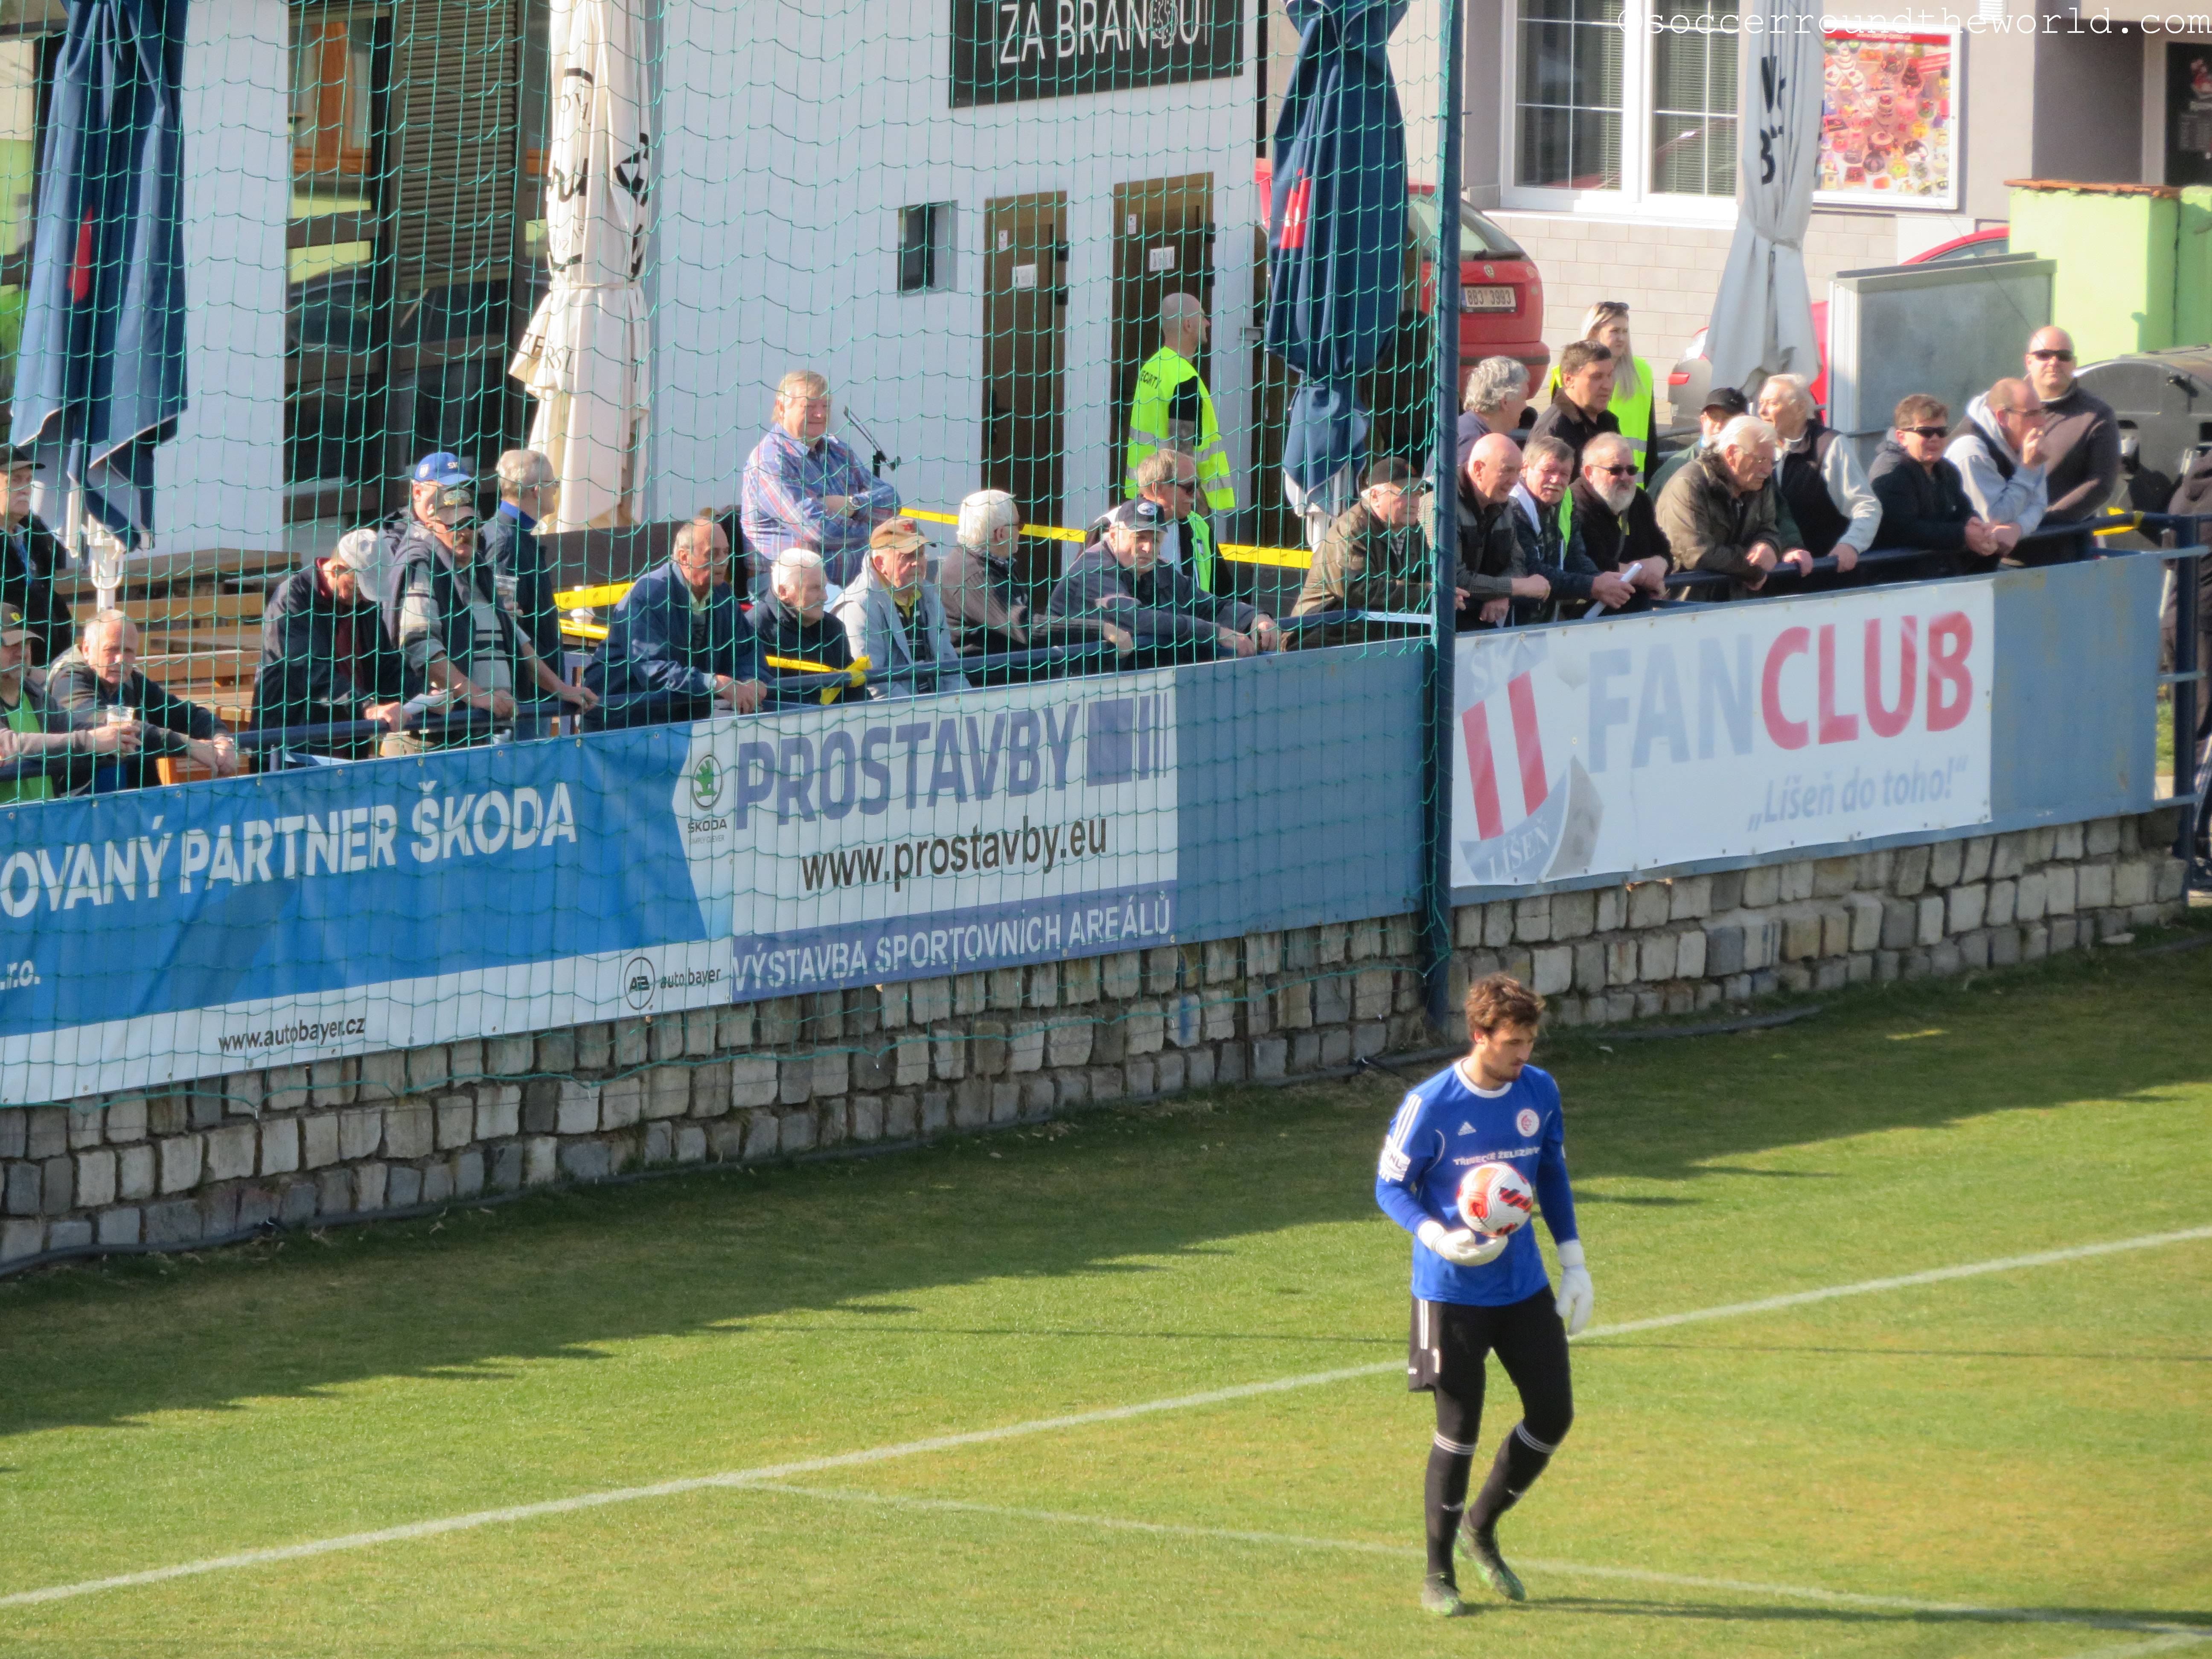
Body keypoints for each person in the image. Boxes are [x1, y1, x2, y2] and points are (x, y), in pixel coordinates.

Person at [1374, 972, 1592, 1617]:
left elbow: (1550, 1170)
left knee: (1553, 1414)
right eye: (1512, 1042)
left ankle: (1482, 1527)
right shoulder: (1430, 1104)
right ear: (1479, 1035)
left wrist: (1573, 1260)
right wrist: (1436, 1236)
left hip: (1522, 1286)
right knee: (1459, 1431)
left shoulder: (1540, 1090)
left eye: (1530, 1040)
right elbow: (1390, 1188)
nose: (1524, 1053)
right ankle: (1438, 1574)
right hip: (1448, 1293)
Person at [392, 479, 594, 753]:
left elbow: (516, 640)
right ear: (431, 526)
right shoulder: (422, 564)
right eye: (454, 525)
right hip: (429, 740)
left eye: (471, 524)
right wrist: (477, 695)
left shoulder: (478, 570)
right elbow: (421, 645)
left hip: (477, 731)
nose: (465, 532)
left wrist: (561, 688)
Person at [586, 511, 767, 725]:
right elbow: (652, 670)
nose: (723, 561)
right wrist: (713, 683)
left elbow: (746, 651)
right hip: (621, 718)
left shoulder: (723, 595)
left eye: (727, 552)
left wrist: (753, 679)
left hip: (682, 716)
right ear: (684, 557)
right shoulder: (648, 596)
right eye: (712, 554)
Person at [1049, 499, 1273, 667]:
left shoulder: (1159, 569)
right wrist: (1215, 633)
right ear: (1114, 535)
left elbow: (1209, 606)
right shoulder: (1093, 568)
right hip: (1071, 685)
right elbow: (1136, 619)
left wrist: (1254, 618)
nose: (1148, 548)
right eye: (1139, 538)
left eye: (1155, 540)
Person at [740, 370, 902, 584]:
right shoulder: (770, 461)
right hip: (791, 589)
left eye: (826, 406)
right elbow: (819, 530)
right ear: (781, 407)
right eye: (810, 406)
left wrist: (852, 505)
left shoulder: (838, 451)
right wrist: (880, 532)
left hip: (857, 583)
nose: (821, 414)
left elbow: (892, 500)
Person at [939, 489, 1132, 667]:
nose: (1020, 532)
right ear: (1001, 534)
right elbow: (1024, 626)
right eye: (1019, 526)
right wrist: (1101, 629)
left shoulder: (994, 564)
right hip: (986, 681)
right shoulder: (973, 575)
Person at [47, 611, 239, 788]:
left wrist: (222, 739)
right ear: (87, 650)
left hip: (133, 801)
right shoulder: (67, 679)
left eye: (129, 651)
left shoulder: (132, 681)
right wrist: (188, 745)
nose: (121, 659)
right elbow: (109, 724)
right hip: (75, 803)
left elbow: (186, 714)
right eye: (112, 650)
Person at [253, 539, 409, 739]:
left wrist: (424, 694)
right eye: (359, 589)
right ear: (336, 570)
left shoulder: (361, 603)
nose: (364, 598)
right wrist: (366, 706)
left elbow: (386, 665)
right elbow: (307, 670)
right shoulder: (291, 599)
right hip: (293, 736)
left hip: (349, 734)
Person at [1290, 456, 1449, 647]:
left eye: (1418, 493)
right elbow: (1358, 590)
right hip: (1322, 637)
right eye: (1406, 492)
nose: (1415, 502)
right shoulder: (1351, 530)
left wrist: (1446, 592)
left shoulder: (1413, 530)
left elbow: (1427, 576)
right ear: (1375, 496)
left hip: (1376, 639)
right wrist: (1429, 594)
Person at [1654, 416, 1812, 595]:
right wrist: (1752, 567)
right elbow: (1698, 553)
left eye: (1772, 461)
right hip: (1688, 603)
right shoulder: (1689, 485)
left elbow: (1769, 528)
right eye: (1761, 460)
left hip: (1738, 601)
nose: (1768, 470)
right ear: (1731, 453)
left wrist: (1768, 545)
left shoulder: (1760, 484)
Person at [0, 603, 138, 801]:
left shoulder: (36, 697)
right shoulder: (60, 682)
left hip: (45, 816)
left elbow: (73, 728)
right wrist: (91, 740)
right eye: (11, 645)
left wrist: (115, 736)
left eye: (26, 644)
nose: (22, 653)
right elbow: (10, 744)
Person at [1869, 394, 2007, 578]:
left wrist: (1975, 524)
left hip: (1938, 574)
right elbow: (1904, 530)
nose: (1935, 438)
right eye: (1925, 432)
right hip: (1897, 579)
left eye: (1941, 432)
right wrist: (1963, 534)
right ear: (1902, 437)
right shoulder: (1891, 471)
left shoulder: (1946, 469)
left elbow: (1963, 509)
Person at [833, 518, 969, 698]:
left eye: (920, 554)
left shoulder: (929, 596)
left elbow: (950, 667)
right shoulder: (858, 607)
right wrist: (921, 710)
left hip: (937, 708)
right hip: (895, 712)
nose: (918, 563)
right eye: (908, 556)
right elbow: (873, 684)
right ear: (880, 563)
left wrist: (963, 703)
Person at [1755, 373, 1880, 569]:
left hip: (1825, 571)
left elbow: (1866, 506)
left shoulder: (1829, 445)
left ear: (1800, 408)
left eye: (1772, 404)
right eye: (1761, 403)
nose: (1762, 411)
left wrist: (1851, 544)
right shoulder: (1760, 448)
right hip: (1776, 574)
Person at [1126, 291, 1234, 515]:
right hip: (1176, 501)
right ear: (1188, 325)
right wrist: (1195, 504)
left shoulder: (1153, 366)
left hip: (1147, 491)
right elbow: (1182, 453)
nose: (1208, 323)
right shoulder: (1184, 379)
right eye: (1202, 316)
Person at [2025, 326, 2122, 530]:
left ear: (2074, 364)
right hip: (1993, 539)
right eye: (2044, 355)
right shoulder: (2002, 404)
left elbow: (2100, 485)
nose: (2054, 362)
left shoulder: (2097, 416)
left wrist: (2039, 521)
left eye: (2063, 356)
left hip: (2059, 541)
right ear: (2029, 362)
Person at [478, 448, 565, 671]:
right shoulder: (506, 543)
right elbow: (507, 628)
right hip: (526, 685)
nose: (556, 490)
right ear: (538, 490)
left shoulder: (511, 536)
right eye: (554, 484)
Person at [1508, 437, 1612, 616]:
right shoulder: (1513, 504)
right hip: (1512, 620)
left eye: (1564, 474)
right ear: (1525, 468)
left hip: (1548, 616)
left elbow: (1575, 556)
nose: (1556, 480)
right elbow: (1530, 570)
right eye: (1548, 471)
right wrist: (1593, 586)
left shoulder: (1567, 499)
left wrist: (1601, 580)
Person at [1569, 433, 1672, 611]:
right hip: (1588, 616)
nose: (1625, 477)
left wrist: (1660, 564)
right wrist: (1642, 575)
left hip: (1639, 611)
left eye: (1631, 470)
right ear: (1589, 473)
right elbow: (1592, 565)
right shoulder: (1574, 504)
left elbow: (1663, 548)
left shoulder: (1639, 499)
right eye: (1615, 470)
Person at [1456, 433, 1549, 628]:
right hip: (1433, 627)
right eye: (1507, 471)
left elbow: (1516, 562)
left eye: (1518, 472)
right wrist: (1515, 588)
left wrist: (1502, 593)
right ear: (1478, 469)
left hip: (1479, 619)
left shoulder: (1504, 505)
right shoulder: (1442, 505)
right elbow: (1454, 579)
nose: (1515, 481)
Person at [744, 548, 853, 707]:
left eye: (824, 587)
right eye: (815, 588)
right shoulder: (754, 630)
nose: (825, 597)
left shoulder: (834, 628)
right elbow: (768, 701)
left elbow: (854, 690)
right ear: (784, 592)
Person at [1947, 378, 2050, 545]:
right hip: (1962, 558)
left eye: (2041, 412)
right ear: (2002, 417)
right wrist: (2028, 468)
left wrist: (2019, 529)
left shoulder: (2025, 441)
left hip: (2011, 549)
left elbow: (2039, 503)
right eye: (2031, 414)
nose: (2041, 422)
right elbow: (1993, 520)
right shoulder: (1970, 450)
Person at [1115, 450, 1223, 594]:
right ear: (1158, 488)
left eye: (1197, 486)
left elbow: (1223, 593)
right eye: (1190, 488)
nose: (1197, 495)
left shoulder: (1199, 525)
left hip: (1193, 608)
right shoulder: (1115, 524)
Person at [1, 450, 68, 665]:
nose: (25, 489)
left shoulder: (35, 533)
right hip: (10, 664)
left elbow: (49, 596)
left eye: (29, 480)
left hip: (49, 658)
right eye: (15, 480)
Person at [1528, 340, 1619, 472]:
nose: (1608, 386)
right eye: (1597, 377)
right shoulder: (1554, 430)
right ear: (1569, 380)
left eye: (1610, 376)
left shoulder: (1608, 421)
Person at [1648, 387, 1749, 498]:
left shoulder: (1753, 465)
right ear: (1703, 420)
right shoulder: (1675, 468)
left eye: (1728, 419)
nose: (1719, 426)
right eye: (1714, 417)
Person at [1457, 356, 1531, 453]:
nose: (1525, 406)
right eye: (1523, 398)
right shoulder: (1475, 444)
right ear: (1505, 402)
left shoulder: (1469, 428)